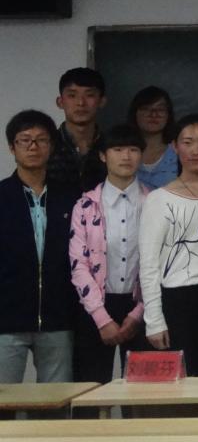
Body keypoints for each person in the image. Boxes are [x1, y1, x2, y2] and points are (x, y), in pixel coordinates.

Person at [138, 114, 198, 376]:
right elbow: (149, 264)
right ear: (175, 147)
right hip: (177, 303)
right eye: (187, 142)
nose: (195, 150)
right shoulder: (159, 199)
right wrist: (154, 321)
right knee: (183, 384)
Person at [69, 124, 151, 384]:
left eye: (133, 149)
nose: (126, 156)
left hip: (143, 306)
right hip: (95, 306)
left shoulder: (155, 202)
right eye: (117, 149)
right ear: (103, 156)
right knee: (92, 389)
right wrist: (102, 318)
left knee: (143, 392)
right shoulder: (85, 205)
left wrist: (138, 314)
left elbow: (161, 263)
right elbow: (79, 264)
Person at [0, 110, 78, 383]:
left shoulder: (71, 198)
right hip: (6, 319)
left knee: (56, 401)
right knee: (4, 401)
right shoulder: (2, 196)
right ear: (12, 147)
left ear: (51, 146)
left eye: (41, 140)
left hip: (58, 317)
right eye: (25, 140)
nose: (33, 146)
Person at [47, 67, 107, 193]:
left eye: (89, 95)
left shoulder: (112, 145)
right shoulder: (46, 145)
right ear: (60, 102)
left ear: (102, 101)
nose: (80, 103)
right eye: (72, 95)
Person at [127, 85, 179, 188]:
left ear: (168, 115)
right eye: (146, 109)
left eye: (160, 109)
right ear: (135, 113)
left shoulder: (179, 153)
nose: (154, 115)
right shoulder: (122, 152)